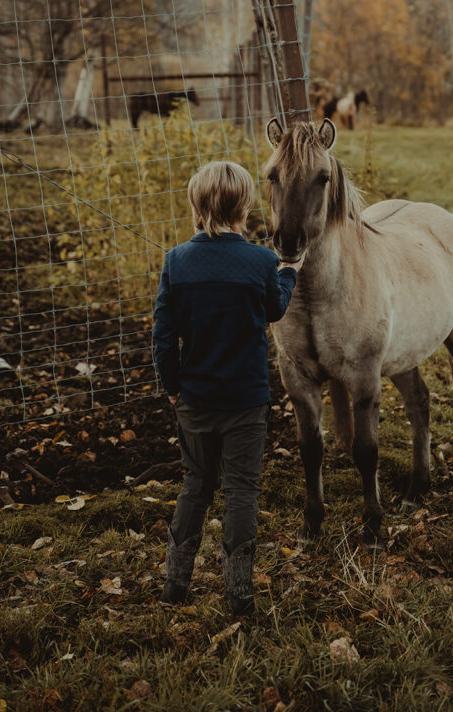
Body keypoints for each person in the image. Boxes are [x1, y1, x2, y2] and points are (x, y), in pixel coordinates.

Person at [153, 160, 301, 614]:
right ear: (245, 206)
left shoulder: (175, 261)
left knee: (195, 484)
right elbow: (275, 310)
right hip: (246, 401)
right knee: (241, 490)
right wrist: (289, 269)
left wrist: (172, 387)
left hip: (194, 401)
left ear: (197, 204)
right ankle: (238, 593)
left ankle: (175, 584)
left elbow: (163, 332)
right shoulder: (262, 261)